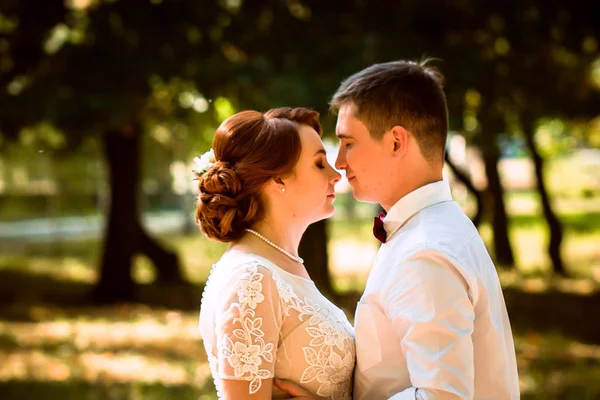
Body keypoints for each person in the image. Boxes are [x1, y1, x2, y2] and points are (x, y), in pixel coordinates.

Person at [278, 60, 520, 399]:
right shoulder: (434, 229)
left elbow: (442, 397)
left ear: (395, 142)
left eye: (348, 143)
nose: (340, 162)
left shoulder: (425, 251)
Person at [196, 107, 356, 400]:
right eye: (320, 164)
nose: (336, 175)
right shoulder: (250, 278)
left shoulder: (281, 264)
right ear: (279, 178)